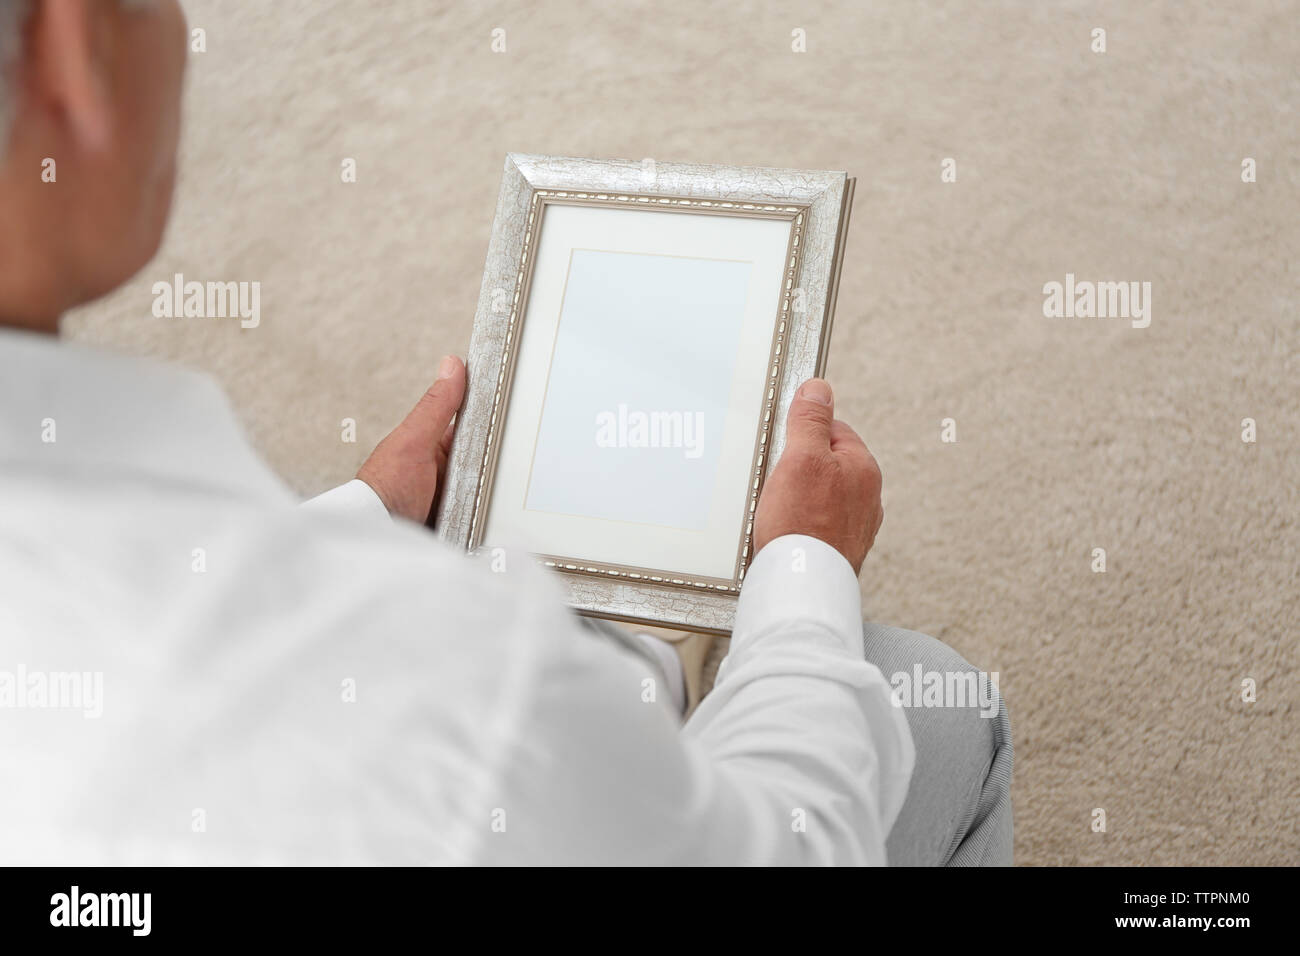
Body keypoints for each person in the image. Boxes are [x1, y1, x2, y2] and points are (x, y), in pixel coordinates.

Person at [0, 0, 1011, 865]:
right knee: (940, 700)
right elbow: (788, 840)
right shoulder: (455, 676)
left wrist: (356, 517)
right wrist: (804, 567)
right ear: (74, 48)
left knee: (629, 650)